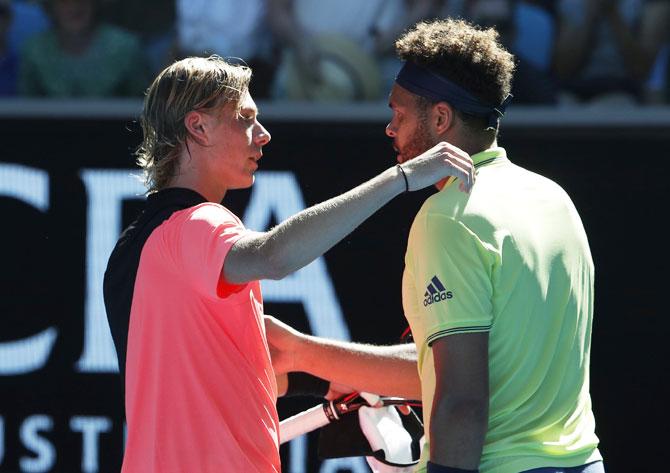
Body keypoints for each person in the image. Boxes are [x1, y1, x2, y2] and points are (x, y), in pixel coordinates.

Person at [102, 55, 474, 472]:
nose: (262, 135)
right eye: (245, 118)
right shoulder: (195, 225)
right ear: (198, 126)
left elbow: (225, 378)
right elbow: (274, 256)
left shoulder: (136, 249)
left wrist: (323, 378)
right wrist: (400, 178)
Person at [266, 18, 605, 473]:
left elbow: (461, 399)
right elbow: (455, 368)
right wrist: (305, 353)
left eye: (399, 114)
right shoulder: (553, 198)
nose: (389, 129)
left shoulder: (449, 218)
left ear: (441, 118)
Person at [19, 0, 148, 97]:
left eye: (82, 0)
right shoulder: (34, 50)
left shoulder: (126, 47)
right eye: (64, 2)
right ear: (50, 7)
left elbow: (144, 104)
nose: (74, 8)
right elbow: (26, 106)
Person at [553, 0, 670, 104]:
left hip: (622, 89)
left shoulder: (646, 7)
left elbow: (640, 70)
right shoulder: (570, 4)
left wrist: (613, 14)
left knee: (613, 106)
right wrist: (590, 17)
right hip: (574, 89)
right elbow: (563, 70)